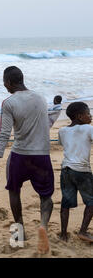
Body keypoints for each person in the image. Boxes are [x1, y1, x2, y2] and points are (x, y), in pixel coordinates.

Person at [0, 66, 54, 255]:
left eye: (4, 84)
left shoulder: (9, 102)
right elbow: (45, 124)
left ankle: (18, 234)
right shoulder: (41, 98)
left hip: (20, 156)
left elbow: (4, 135)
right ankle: (43, 227)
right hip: (42, 155)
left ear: (8, 82)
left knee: (14, 191)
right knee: (46, 196)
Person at [58, 102, 93, 243]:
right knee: (91, 202)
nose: (90, 116)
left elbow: (63, 144)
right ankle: (83, 231)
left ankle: (63, 234)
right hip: (82, 171)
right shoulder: (88, 128)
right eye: (88, 113)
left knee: (65, 203)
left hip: (66, 170)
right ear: (80, 116)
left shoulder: (62, 131)